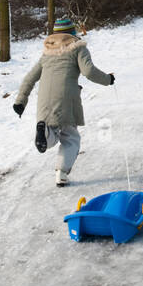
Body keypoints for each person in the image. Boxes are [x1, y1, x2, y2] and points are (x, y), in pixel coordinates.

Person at [12, 18, 114, 187]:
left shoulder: (46, 54)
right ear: (73, 33)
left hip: (44, 99)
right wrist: (108, 79)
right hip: (67, 98)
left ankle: (44, 131)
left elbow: (30, 78)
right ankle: (61, 172)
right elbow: (88, 71)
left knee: (51, 132)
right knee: (70, 137)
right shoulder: (78, 48)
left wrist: (20, 101)